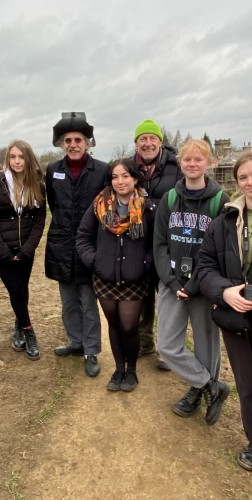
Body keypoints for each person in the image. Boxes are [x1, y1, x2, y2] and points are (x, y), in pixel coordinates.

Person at [153, 139, 229, 424]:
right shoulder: (170, 199)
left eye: (199, 159)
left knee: (206, 345)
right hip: (173, 283)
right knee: (168, 346)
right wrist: (173, 283)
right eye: (187, 160)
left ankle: (199, 393)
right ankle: (208, 385)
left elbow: (221, 250)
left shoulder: (219, 201)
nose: (192, 164)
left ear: (209, 163)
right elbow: (159, 244)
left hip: (205, 286)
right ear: (180, 164)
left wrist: (196, 284)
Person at [76, 159, 155, 391]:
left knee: (129, 326)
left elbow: (156, 243)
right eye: (114, 176)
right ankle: (118, 369)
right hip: (105, 278)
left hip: (134, 279)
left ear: (135, 179)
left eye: (125, 176)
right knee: (114, 324)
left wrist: (144, 263)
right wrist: (95, 260)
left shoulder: (148, 208)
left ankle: (131, 371)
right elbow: (83, 236)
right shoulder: (99, 205)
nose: (119, 181)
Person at [198, 151, 252, 471]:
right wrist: (224, 291)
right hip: (237, 315)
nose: (249, 182)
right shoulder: (224, 223)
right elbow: (205, 267)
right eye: (243, 177)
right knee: (246, 382)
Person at [45, 112, 108, 377]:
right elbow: (53, 204)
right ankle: (75, 341)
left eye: (78, 140)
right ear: (62, 144)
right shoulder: (52, 170)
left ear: (88, 143)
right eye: (68, 140)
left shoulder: (102, 170)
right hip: (61, 244)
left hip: (89, 243)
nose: (73, 144)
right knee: (68, 300)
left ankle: (91, 349)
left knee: (87, 301)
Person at [0, 140, 46, 360]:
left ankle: (18, 326)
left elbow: (39, 219)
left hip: (25, 249)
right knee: (16, 290)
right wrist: (1, 250)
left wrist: (28, 248)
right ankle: (29, 331)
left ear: (28, 159)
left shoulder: (37, 183)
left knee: (22, 289)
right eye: (13, 157)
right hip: (2, 251)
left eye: (21, 157)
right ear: (7, 159)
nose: (17, 161)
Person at [132, 119, 183, 370]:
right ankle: (145, 342)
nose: (148, 143)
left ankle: (167, 348)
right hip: (138, 241)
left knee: (167, 296)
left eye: (153, 138)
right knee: (143, 296)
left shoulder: (176, 167)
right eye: (143, 138)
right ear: (136, 143)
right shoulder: (130, 168)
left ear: (160, 142)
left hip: (168, 242)